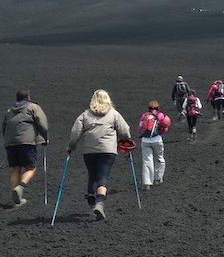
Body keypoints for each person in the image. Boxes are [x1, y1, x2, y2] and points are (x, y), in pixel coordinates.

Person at [67, 89, 131, 221]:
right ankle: (100, 204)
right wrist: (126, 140)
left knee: (92, 175)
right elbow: (125, 130)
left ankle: (91, 197)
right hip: (108, 150)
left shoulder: (85, 115)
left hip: (89, 151)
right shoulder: (114, 114)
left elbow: (75, 133)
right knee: (103, 176)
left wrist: (71, 147)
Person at [1, 88, 49, 207]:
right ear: (28, 97)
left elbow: (4, 127)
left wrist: (9, 141)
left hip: (10, 143)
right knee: (31, 168)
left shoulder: (9, 110)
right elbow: (42, 123)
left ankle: (17, 199)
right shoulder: (33, 107)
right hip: (26, 142)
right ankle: (20, 188)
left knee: (16, 168)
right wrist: (45, 137)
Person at [138, 100, 171, 189]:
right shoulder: (160, 115)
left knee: (147, 161)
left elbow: (140, 128)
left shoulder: (144, 115)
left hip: (145, 141)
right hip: (157, 140)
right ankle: (158, 178)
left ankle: (147, 183)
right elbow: (165, 127)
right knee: (160, 158)